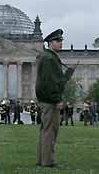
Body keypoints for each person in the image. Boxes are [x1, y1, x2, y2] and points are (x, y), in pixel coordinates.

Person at [35, 29, 75, 168]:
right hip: (50, 100)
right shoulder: (49, 58)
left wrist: (66, 76)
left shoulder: (48, 57)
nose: (61, 43)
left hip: (46, 99)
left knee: (45, 130)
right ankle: (48, 161)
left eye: (61, 41)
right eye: (58, 41)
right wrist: (57, 99)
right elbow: (51, 82)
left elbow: (55, 81)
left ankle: (42, 160)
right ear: (50, 43)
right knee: (50, 131)